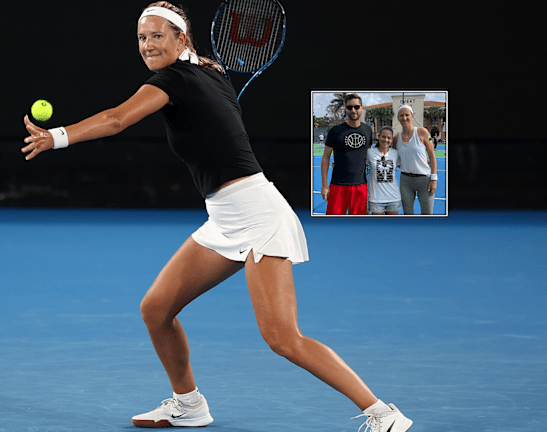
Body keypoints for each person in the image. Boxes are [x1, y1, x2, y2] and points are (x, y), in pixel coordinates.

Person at [21, 3, 412, 431]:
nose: (148, 45)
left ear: (181, 39)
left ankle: (383, 413)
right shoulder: (210, 72)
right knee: (156, 309)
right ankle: (189, 404)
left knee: (283, 338)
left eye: (157, 36)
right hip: (225, 218)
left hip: (259, 216)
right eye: (141, 38)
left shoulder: (174, 79)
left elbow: (116, 120)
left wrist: (57, 137)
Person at [320, 94, 372, 215]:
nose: (353, 110)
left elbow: (369, 155)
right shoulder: (335, 131)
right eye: (350, 107)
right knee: (334, 222)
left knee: (358, 223)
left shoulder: (368, 130)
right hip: (338, 185)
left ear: (362, 108)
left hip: (360, 185)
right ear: (345, 108)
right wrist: (324, 185)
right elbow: (326, 156)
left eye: (356, 107)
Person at [393, 105, 437, 215]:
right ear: (398, 118)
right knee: (408, 214)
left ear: (412, 116)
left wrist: (433, 179)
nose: (404, 118)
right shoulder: (396, 138)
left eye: (407, 115)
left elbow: (432, 156)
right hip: (405, 181)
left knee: (427, 214)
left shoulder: (423, 132)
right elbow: (394, 158)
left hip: (424, 181)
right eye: (401, 116)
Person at [366, 126, 401, 215]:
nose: (386, 140)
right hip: (376, 199)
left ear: (392, 139)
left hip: (394, 198)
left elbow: (405, 166)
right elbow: (357, 163)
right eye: (383, 137)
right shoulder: (370, 153)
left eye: (389, 138)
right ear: (378, 136)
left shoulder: (395, 153)